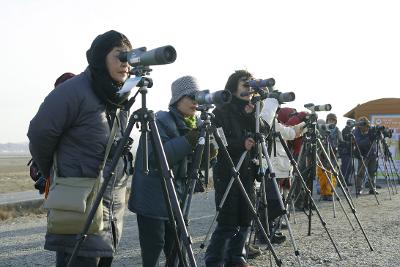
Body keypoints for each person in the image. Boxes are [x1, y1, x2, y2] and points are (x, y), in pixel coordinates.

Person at [27, 30, 133, 267]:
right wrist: (54, 173)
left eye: (129, 57)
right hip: (78, 203)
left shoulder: (118, 97)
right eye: (119, 56)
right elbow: (39, 134)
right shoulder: (73, 91)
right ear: (99, 58)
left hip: (110, 207)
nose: (126, 64)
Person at [128, 76, 210, 267]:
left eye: (198, 97)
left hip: (176, 197)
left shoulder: (194, 124)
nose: (195, 101)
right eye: (190, 96)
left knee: (177, 250)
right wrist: (189, 141)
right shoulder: (159, 120)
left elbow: (191, 166)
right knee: (154, 251)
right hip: (152, 199)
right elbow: (158, 158)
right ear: (177, 99)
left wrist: (208, 152)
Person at [205, 70, 258, 267]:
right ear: (233, 86)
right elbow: (219, 143)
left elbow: (264, 135)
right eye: (245, 84)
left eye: (251, 85)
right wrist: (241, 144)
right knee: (228, 218)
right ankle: (215, 259)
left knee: (246, 215)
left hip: (247, 170)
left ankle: (236, 256)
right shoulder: (222, 109)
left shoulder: (251, 110)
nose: (249, 89)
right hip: (226, 170)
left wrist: (253, 116)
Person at [317, 113, 342, 201]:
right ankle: (324, 192)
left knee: (332, 175)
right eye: (330, 120)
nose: (332, 122)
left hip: (333, 155)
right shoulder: (323, 128)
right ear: (327, 120)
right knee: (323, 175)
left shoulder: (337, 130)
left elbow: (341, 141)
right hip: (323, 154)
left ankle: (330, 193)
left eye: (333, 120)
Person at [353, 116, 378, 195]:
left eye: (367, 125)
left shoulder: (371, 130)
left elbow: (376, 139)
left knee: (372, 172)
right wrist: (369, 138)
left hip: (372, 154)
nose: (366, 127)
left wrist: (377, 134)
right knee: (361, 173)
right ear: (360, 125)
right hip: (362, 154)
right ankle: (358, 189)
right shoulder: (356, 132)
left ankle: (372, 188)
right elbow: (359, 143)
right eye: (364, 125)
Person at [338, 119, 356, 186]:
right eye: (351, 123)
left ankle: (346, 180)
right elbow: (343, 140)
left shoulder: (352, 131)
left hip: (350, 151)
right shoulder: (344, 130)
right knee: (345, 167)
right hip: (345, 151)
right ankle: (341, 181)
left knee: (349, 167)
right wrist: (351, 142)